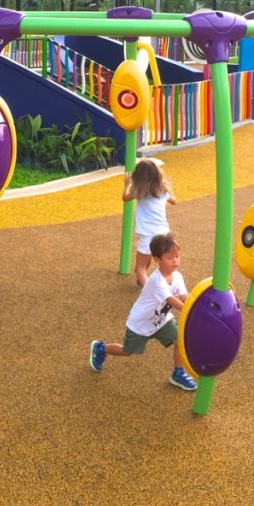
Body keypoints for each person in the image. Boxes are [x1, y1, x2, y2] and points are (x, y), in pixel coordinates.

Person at [88, 233, 197, 391]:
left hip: (162, 321)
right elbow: (172, 300)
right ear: (157, 259)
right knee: (127, 351)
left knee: (180, 341)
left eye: (177, 256)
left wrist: (196, 306)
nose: (175, 261)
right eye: (169, 258)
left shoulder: (177, 276)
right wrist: (192, 311)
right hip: (140, 324)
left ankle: (178, 373)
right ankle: (100, 348)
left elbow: (184, 297)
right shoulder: (156, 280)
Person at [122, 158, 177, 287]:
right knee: (154, 261)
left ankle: (153, 292)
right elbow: (174, 201)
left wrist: (127, 185)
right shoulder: (163, 191)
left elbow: (125, 198)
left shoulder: (139, 192)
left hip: (148, 235)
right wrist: (168, 188)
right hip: (164, 233)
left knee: (139, 269)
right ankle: (163, 286)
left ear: (138, 178)